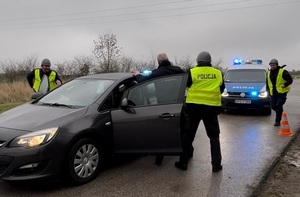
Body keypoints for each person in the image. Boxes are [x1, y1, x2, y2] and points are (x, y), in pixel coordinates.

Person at [175, 51, 225, 172]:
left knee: (188, 136)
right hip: (211, 109)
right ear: (210, 61)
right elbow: (221, 89)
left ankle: (183, 163)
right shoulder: (218, 73)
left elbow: (184, 88)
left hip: (194, 108)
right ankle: (216, 165)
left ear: (198, 61)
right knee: (214, 137)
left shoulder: (192, 72)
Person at [133, 53, 185, 165]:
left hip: (163, 107)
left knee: (162, 133)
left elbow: (141, 81)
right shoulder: (178, 70)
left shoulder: (157, 73)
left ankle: (159, 158)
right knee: (183, 132)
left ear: (158, 61)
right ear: (168, 59)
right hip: (179, 106)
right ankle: (186, 155)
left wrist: (137, 74)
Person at [266, 59, 293, 126]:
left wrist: (285, 84)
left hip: (282, 92)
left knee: (278, 105)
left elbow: (290, 80)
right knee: (273, 106)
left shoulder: (283, 71)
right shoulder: (268, 73)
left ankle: (277, 121)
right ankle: (279, 112)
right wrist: (268, 91)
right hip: (273, 93)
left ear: (277, 65)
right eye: (271, 65)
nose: (272, 66)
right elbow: (267, 83)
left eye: (274, 65)